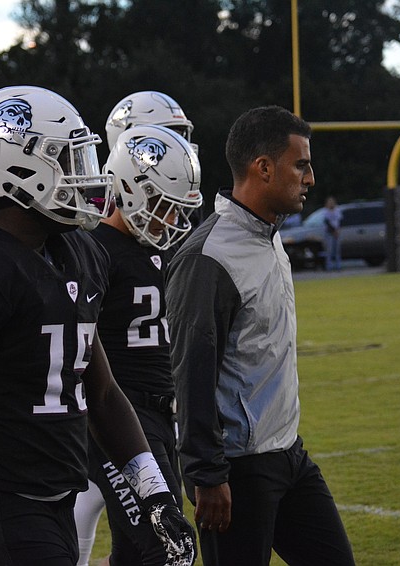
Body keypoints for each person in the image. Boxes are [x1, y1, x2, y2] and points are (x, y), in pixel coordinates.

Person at [0, 86, 195, 566]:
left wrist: (154, 493)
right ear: (19, 169)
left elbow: (104, 393)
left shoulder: (80, 252)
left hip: (54, 501)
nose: (87, 177)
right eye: (70, 161)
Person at [165, 106, 355, 566]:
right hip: (238, 469)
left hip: (289, 455)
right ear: (263, 168)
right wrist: (207, 475)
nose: (310, 178)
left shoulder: (269, 236)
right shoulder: (209, 257)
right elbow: (191, 375)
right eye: (301, 164)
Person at [74, 90, 198, 566]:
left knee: (133, 551)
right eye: (160, 204)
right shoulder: (93, 249)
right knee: (168, 548)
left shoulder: (174, 243)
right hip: (117, 420)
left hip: (165, 415)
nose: (170, 217)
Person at [323, 196, 342, 270]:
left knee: (337, 250)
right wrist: (334, 231)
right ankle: (329, 266)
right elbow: (327, 222)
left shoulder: (337, 210)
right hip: (329, 232)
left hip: (337, 232)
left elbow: (340, 220)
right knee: (329, 250)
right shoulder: (325, 211)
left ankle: (338, 266)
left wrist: (338, 230)